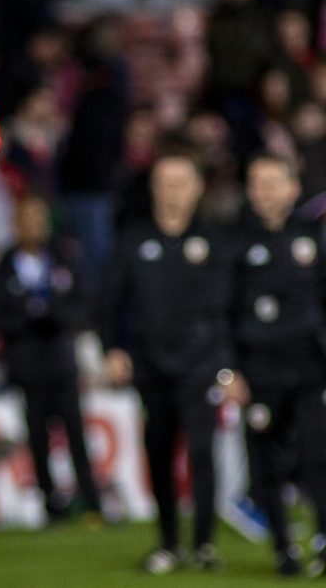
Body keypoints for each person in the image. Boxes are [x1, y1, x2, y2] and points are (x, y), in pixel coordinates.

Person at [99, 150, 236, 574]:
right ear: (153, 188)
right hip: (151, 366)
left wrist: (229, 367)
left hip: (201, 366)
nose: (171, 191)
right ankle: (169, 543)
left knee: (201, 452)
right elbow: (107, 303)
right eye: (163, 182)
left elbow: (230, 310)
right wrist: (112, 348)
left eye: (180, 182)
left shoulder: (215, 242)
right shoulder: (134, 241)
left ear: (197, 188)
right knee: (158, 453)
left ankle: (205, 544)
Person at [230, 152, 326, 577]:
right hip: (259, 372)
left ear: (293, 187)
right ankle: (284, 549)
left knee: (317, 456)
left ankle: (323, 540)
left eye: (273, 182)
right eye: (257, 182)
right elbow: (221, 314)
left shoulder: (313, 238)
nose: (264, 192)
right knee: (267, 463)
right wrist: (228, 371)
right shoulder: (234, 242)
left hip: (310, 370)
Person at [0, 193, 102, 523]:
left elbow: (83, 304)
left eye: (38, 218)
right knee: (37, 437)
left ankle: (92, 502)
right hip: (27, 364)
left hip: (61, 360)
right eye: (26, 219)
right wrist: (29, 318)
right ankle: (52, 504)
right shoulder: (5, 266)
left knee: (76, 433)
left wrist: (52, 315)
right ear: (16, 225)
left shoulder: (64, 258)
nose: (33, 225)